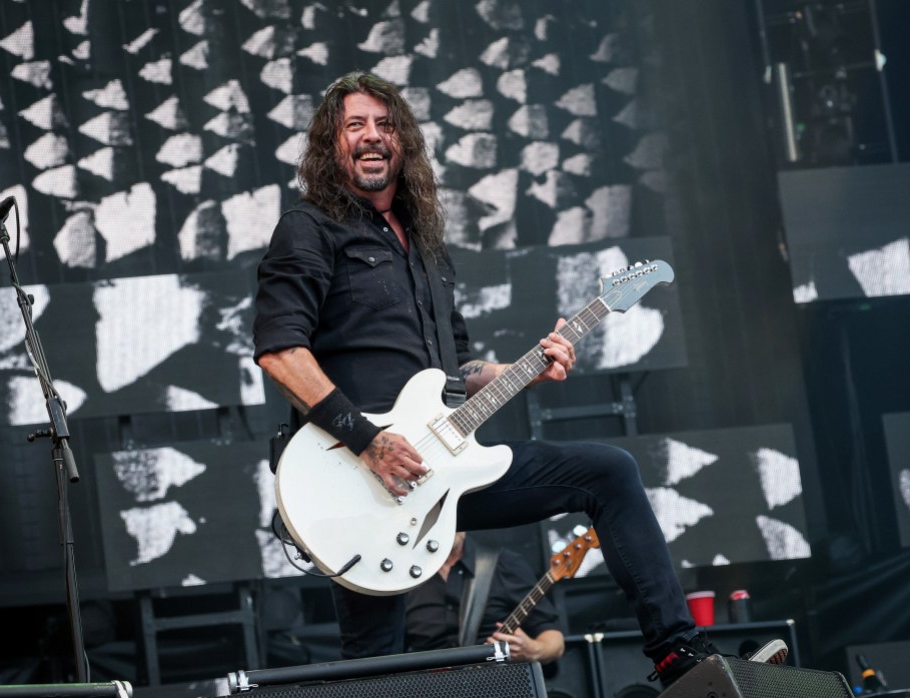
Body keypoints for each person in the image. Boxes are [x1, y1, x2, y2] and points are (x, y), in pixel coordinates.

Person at [252, 71, 784, 689]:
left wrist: (520, 373)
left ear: (404, 141)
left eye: (385, 124)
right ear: (332, 144)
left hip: (441, 469)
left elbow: (457, 373)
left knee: (608, 472)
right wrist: (370, 443)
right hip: (358, 478)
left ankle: (679, 657)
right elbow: (280, 352)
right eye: (355, 126)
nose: (372, 136)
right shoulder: (309, 227)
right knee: (375, 664)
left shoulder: (425, 247)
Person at [404, 532, 565, 665]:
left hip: (498, 686)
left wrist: (534, 650)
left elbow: (555, 642)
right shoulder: (401, 579)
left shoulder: (504, 564)